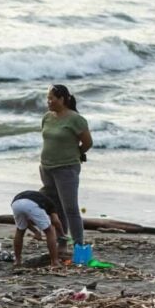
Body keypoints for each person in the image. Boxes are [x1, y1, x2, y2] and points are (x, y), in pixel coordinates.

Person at [39, 84, 92, 253]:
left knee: (70, 209)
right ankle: (62, 244)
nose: (48, 101)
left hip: (66, 168)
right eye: (47, 98)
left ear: (62, 99)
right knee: (55, 208)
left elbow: (87, 143)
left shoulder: (75, 119)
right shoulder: (47, 117)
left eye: (51, 98)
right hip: (46, 167)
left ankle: (79, 248)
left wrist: (76, 155)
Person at [11, 188, 64, 268]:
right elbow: (55, 221)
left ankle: (17, 260)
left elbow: (26, 221)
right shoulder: (50, 202)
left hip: (15, 203)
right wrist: (62, 234)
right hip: (30, 204)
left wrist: (36, 231)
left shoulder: (36, 196)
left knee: (20, 230)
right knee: (49, 231)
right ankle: (55, 262)